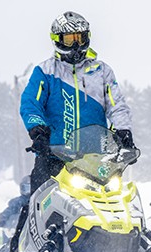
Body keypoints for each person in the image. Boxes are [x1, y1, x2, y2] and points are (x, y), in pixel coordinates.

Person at [20, 11, 137, 195]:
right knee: (39, 199)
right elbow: (30, 103)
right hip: (53, 154)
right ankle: (26, 222)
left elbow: (117, 105)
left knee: (110, 199)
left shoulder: (101, 71)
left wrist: (124, 132)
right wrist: (38, 131)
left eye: (80, 38)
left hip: (95, 158)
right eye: (69, 39)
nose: (76, 45)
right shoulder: (45, 71)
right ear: (57, 40)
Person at [0, 176, 30, 246]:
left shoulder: (35, 198)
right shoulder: (19, 201)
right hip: (17, 225)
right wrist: (3, 219)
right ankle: (6, 240)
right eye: (25, 188)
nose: (27, 192)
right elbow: (9, 210)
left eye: (29, 188)